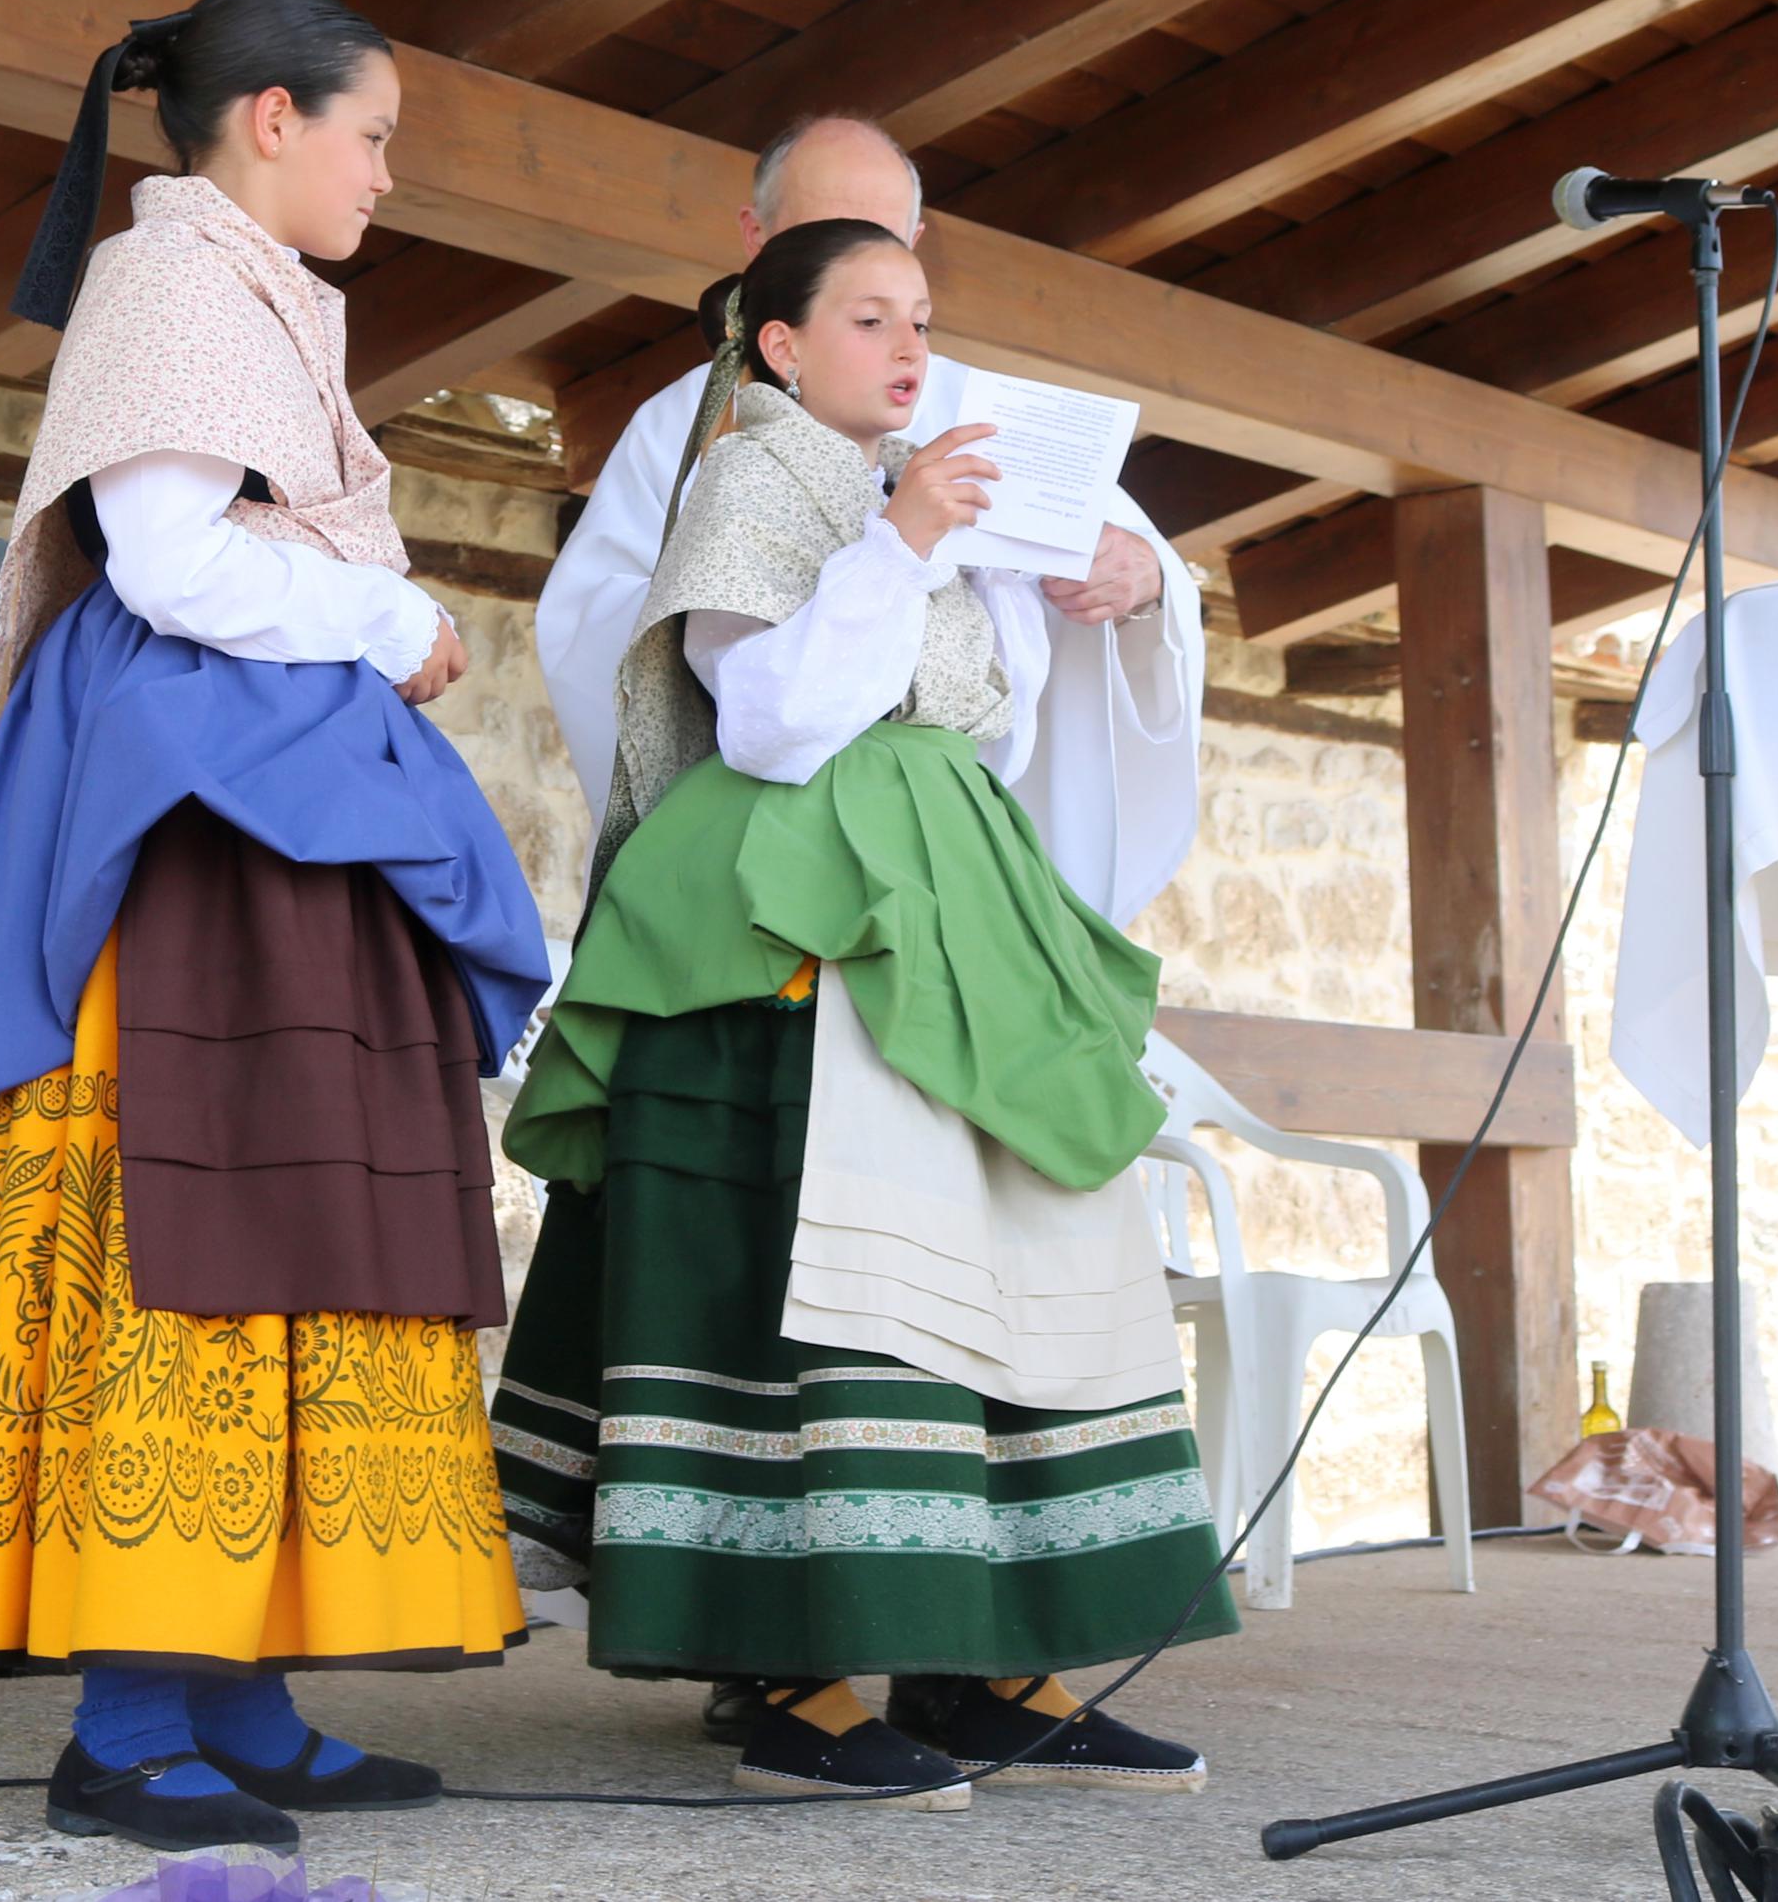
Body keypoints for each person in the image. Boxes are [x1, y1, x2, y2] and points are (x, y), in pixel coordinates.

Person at [0, 0, 552, 1855]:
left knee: (279, 1209)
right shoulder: (177, 285)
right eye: (372, 134)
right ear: (268, 117)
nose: (384, 175)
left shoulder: (240, 293)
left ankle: (242, 1700)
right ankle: (124, 1723)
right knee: (182, 1205)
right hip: (191, 821)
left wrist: (369, 630)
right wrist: (387, 622)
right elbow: (174, 567)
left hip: (265, 811)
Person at [490, 218, 1233, 1807]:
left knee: (998, 1241)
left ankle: (982, 1665)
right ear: (776, 346)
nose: (907, 349)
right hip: (794, 901)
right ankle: (798, 1676)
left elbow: (985, 706)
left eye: (920, 318)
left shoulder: (923, 489)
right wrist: (897, 540)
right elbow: (768, 719)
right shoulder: (745, 478)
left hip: (951, 875)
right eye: (869, 320)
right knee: (813, 1264)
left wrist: (1078, 568)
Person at [538, 115, 1200, 923]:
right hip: (783, 837)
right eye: (827, 233)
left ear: (915, 243)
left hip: (956, 830)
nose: (902, 344)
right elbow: (603, 623)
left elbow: (1092, 601)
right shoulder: (690, 430)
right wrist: (734, 604)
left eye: (886, 242)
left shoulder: (983, 415)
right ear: (757, 238)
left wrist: (1141, 580)